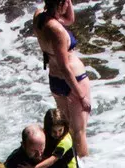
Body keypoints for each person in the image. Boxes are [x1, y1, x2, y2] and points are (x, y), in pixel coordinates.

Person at [34, 0, 92, 158]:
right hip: (73, 80)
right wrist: (81, 95)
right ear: (60, 4)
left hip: (55, 81)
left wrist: (66, 3)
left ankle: (67, 160)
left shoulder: (39, 17)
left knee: (66, 129)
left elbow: (70, 20)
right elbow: (65, 67)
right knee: (79, 132)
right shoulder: (57, 30)